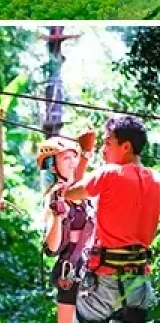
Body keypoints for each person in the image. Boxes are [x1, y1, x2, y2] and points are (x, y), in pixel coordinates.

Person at [59, 115, 160, 323]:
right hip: (139, 284)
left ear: (126, 146)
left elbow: (68, 193)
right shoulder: (157, 181)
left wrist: (85, 153)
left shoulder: (109, 174)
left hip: (105, 283)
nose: (103, 149)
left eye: (107, 143)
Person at [37, 132, 96, 323]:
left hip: (94, 268)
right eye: (65, 158)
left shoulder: (82, 190)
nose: (72, 162)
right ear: (53, 166)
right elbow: (52, 248)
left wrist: (86, 153)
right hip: (70, 271)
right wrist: (56, 217)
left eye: (73, 156)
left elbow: (79, 181)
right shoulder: (55, 197)